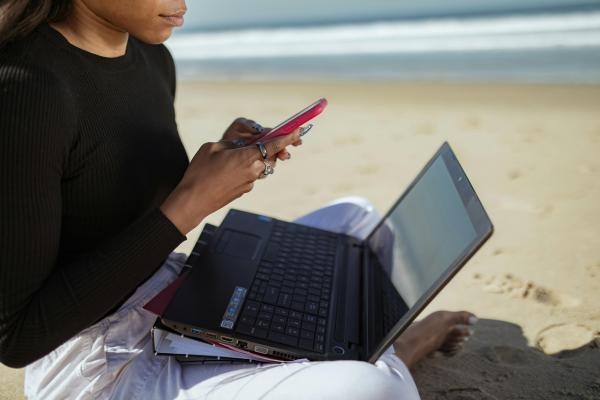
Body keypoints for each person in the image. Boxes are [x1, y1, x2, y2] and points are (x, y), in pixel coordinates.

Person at [0, 1, 477, 398]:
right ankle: (399, 351)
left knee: (361, 219)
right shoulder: (25, 88)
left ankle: (352, 347)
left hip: (170, 293)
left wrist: (219, 162)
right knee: (371, 390)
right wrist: (193, 200)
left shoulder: (151, 57)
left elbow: (110, 191)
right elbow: (17, 337)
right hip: (97, 362)